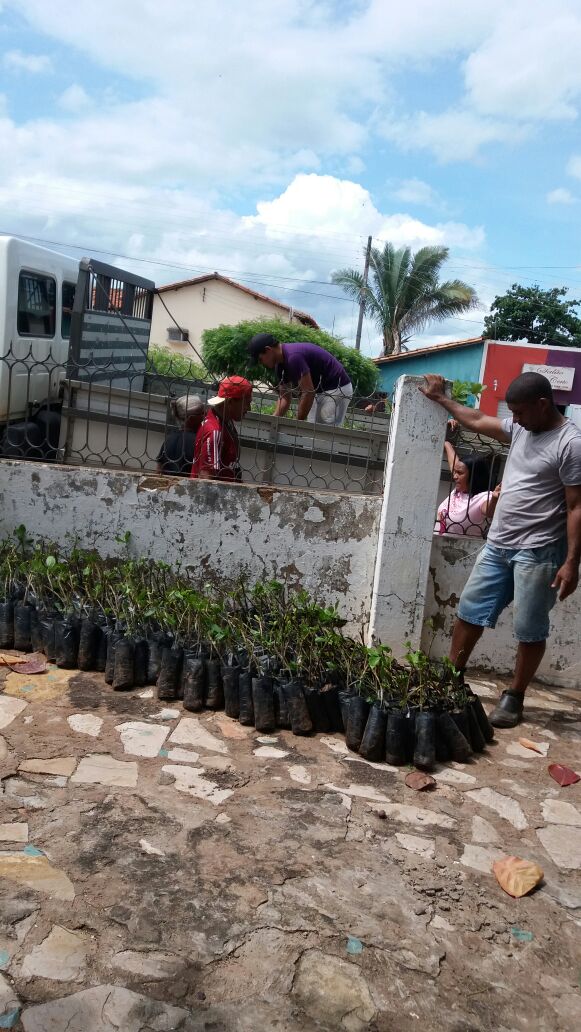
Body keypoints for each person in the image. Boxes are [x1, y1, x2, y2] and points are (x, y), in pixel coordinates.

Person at [421, 371, 581, 728]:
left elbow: (576, 507)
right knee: (469, 612)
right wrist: (441, 399)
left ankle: (514, 696)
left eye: (520, 412)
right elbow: (479, 419)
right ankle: (452, 676)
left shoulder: (571, 444)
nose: (515, 420)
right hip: (498, 544)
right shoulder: (523, 428)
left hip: (539, 551)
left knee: (529, 628)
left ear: (543, 404)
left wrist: (572, 562)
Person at [247, 332, 353, 426]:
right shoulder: (280, 366)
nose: (261, 363)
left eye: (260, 359)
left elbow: (308, 392)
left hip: (338, 388)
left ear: (268, 350)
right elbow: (284, 398)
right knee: (312, 429)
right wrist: (272, 422)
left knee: (324, 433)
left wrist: (296, 425)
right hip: (319, 390)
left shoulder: (293, 357)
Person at [190, 376, 252, 482]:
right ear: (230, 402)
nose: (249, 408)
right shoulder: (214, 431)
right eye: (247, 403)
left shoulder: (225, 422)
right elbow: (205, 480)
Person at [436, 438, 500, 537]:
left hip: (459, 546)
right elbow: (455, 464)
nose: (454, 476)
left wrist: (495, 499)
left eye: (459, 473)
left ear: (474, 476)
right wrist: (447, 444)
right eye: (455, 472)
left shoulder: (483, 497)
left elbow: (489, 512)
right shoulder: (460, 488)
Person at [156, 395, 204, 477]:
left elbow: (159, 469)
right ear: (191, 418)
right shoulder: (197, 440)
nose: (204, 416)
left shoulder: (169, 438)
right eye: (202, 413)